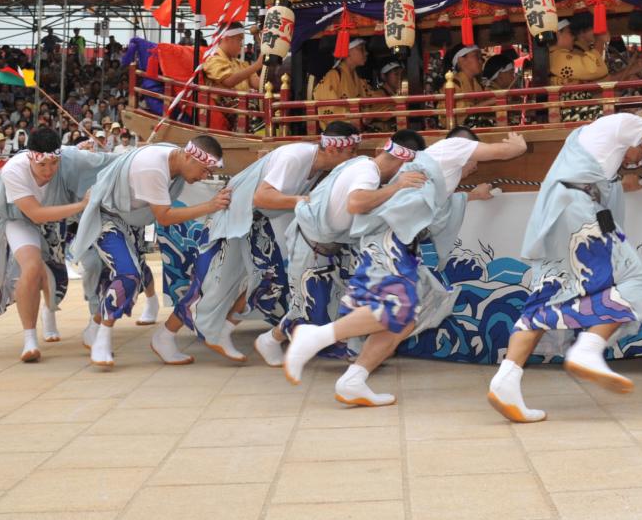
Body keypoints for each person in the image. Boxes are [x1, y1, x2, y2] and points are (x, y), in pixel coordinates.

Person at [488, 111, 642, 424]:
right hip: (577, 212)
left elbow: (605, 183)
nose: (636, 160)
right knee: (633, 279)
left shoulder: (585, 138)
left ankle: (506, 380)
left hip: (561, 212)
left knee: (549, 295)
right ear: (638, 139)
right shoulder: (625, 121)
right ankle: (588, 348)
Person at [289, 127, 523, 407]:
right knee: (395, 310)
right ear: (465, 147)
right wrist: (518, 145)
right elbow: (503, 151)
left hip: (400, 244)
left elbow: (437, 207)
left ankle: (354, 379)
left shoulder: (439, 174)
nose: (475, 165)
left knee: (406, 319)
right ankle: (315, 335)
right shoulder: (453, 148)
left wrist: (472, 195)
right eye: (475, 158)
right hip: (389, 239)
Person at [165, 122, 361, 365]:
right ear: (333, 150)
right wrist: (304, 201)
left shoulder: (316, 166)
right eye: (351, 151)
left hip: (253, 221)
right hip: (235, 216)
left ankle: (225, 333)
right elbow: (262, 196)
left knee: (269, 281)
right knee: (211, 284)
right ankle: (166, 336)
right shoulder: (295, 157)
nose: (353, 156)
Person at [276, 130, 431, 379]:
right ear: (405, 164)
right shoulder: (367, 172)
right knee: (303, 307)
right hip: (309, 240)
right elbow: (356, 203)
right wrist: (398, 187)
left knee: (370, 307)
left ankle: (354, 370)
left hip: (332, 244)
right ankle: (273, 341)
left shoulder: (361, 165)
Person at [69, 135, 230, 368]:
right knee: (129, 275)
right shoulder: (153, 169)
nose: (205, 177)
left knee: (139, 274)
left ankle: (95, 329)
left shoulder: (173, 156)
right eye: (205, 170)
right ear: (188, 157)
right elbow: (164, 217)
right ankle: (101, 337)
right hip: (106, 217)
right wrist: (210, 205)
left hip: (129, 219)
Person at [0, 128, 98, 362]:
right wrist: (81, 205)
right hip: (20, 220)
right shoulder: (13, 169)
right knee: (31, 267)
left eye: (53, 164)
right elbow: (36, 213)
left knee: (55, 272)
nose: (48, 171)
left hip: (57, 219)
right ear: (31, 156)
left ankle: (49, 311)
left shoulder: (67, 157)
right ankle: (30, 339)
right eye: (42, 166)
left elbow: (97, 159)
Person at [314, 38, 379, 116]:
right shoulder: (333, 75)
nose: (366, 53)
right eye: (361, 49)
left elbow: (372, 100)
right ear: (347, 52)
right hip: (341, 127)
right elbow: (327, 107)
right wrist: (354, 118)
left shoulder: (358, 79)